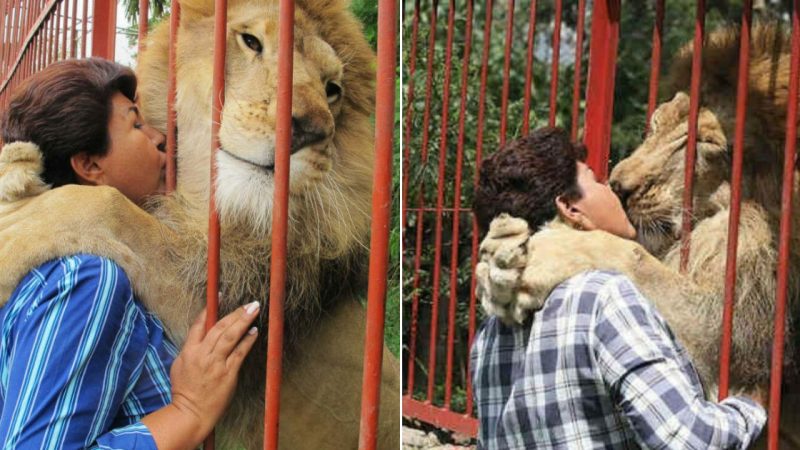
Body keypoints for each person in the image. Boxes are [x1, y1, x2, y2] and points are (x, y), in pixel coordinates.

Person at [0, 58, 257, 449]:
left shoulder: (81, 268)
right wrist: (188, 411)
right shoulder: (84, 278)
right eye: (136, 124)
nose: (158, 137)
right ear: (89, 165)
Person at [470, 127, 766, 449]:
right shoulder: (605, 297)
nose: (615, 184)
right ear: (570, 208)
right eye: (597, 181)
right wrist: (752, 405)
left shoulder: (488, 335)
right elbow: (687, 439)